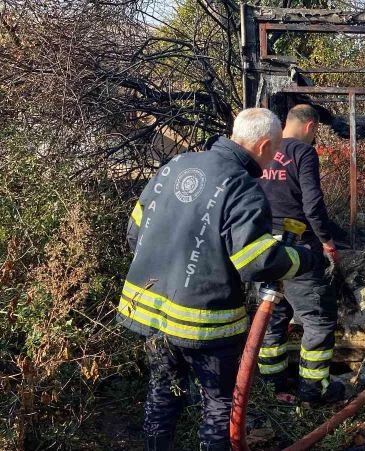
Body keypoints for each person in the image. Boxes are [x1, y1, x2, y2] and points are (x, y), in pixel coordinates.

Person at [119, 108, 317, 451]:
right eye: (274, 151)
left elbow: (134, 232)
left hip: (150, 313)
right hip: (204, 322)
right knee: (219, 403)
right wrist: (307, 259)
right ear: (265, 145)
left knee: (162, 392)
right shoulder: (242, 187)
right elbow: (255, 261)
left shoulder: (175, 166)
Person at [257, 104, 343, 404]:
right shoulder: (303, 152)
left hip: (263, 248)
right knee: (317, 320)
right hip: (298, 248)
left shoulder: (263, 148)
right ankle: (313, 389)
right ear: (310, 127)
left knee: (271, 318)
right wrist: (327, 241)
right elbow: (312, 204)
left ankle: (272, 388)